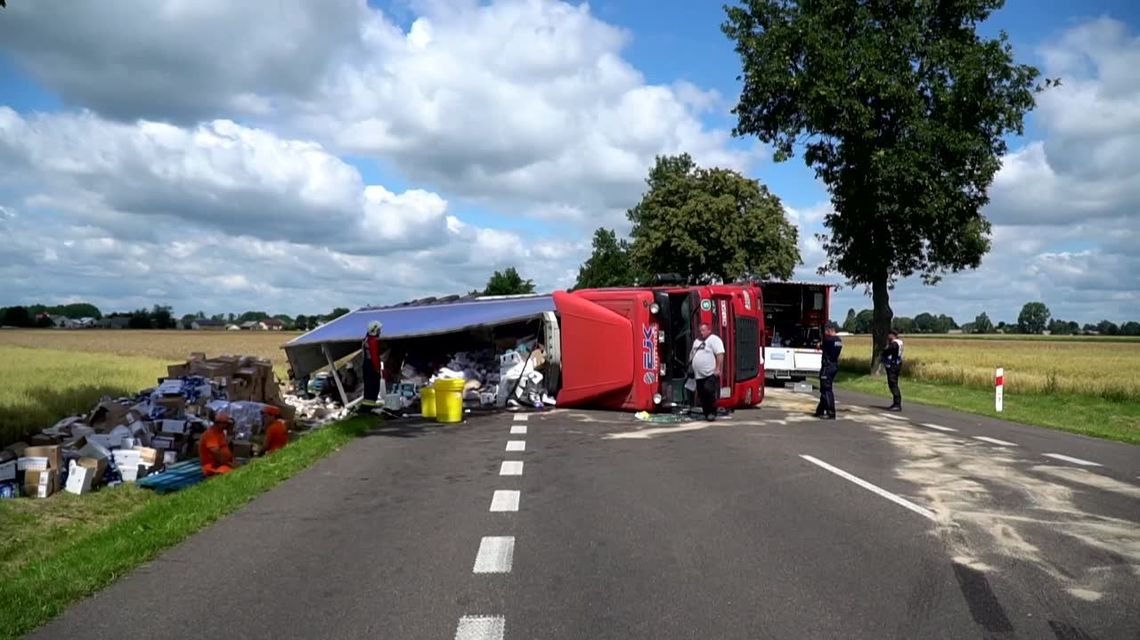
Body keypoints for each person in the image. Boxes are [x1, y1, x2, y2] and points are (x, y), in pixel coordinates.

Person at [689, 322, 726, 421]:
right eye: (700, 330)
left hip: (710, 373)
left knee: (709, 391)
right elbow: (692, 354)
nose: (701, 333)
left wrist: (718, 368)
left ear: (709, 330)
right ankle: (706, 413)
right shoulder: (696, 341)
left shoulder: (714, 340)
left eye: (703, 330)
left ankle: (712, 412)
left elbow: (720, 354)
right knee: (702, 394)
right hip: (698, 374)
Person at [815, 324, 843, 420]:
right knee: (825, 389)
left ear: (829, 331)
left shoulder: (828, 340)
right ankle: (820, 410)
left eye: (826, 332)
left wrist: (819, 343)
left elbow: (820, 346)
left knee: (826, 390)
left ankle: (831, 412)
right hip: (834, 365)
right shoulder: (839, 341)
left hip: (827, 366)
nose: (825, 334)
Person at [200, 411, 236, 476]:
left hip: (224, 464)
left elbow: (226, 448)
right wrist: (232, 465)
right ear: (220, 424)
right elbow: (218, 457)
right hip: (213, 467)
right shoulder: (211, 434)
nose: (228, 425)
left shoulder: (221, 433)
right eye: (227, 423)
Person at [360, 320, 383, 411]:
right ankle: (368, 407)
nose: (380, 331)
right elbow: (374, 356)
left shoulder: (366, 339)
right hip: (371, 365)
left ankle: (367, 406)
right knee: (373, 386)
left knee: (368, 386)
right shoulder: (373, 341)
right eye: (379, 329)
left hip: (366, 364)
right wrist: (377, 368)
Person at [882, 330, 904, 411]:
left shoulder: (894, 344)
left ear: (892, 335)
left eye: (889, 335)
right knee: (894, 383)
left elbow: (887, 351)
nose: (888, 336)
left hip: (893, 365)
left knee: (893, 383)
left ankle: (897, 404)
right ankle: (896, 403)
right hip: (897, 364)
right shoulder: (900, 342)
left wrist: (885, 349)